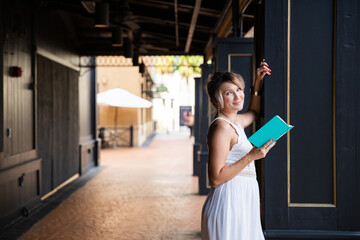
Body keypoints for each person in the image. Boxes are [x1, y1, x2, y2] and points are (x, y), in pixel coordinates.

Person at [201, 60, 275, 240]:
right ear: (217, 100)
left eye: (239, 90)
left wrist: (257, 84)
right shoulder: (222, 128)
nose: (237, 96)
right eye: (229, 93)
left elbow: (254, 112)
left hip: (243, 199)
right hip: (228, 202)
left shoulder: (236, 122)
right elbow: (216, 178)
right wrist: (251, 156)